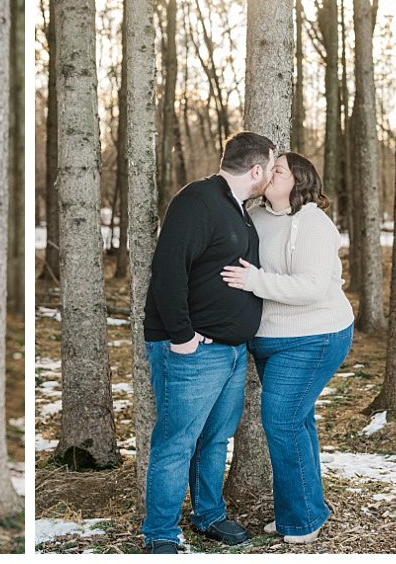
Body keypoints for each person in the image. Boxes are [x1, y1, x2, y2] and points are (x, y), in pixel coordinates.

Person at [141, 131, 276, 554]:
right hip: (192, 352)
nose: (271, 175)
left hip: (232, 353)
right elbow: (167, 271)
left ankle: (208, 515)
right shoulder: (197, 200)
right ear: (256, 170)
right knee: (176, 442)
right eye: (271, 167)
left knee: (215, 440)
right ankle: (160, 533)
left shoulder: (237, 208)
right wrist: (181, 337)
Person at [221, 152, 354, 544]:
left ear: (298, 180)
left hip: (316, 335)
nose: (270, 174)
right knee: (297, 422)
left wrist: (254, 281)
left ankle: (299, 522)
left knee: (281, 421)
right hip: (269, 339)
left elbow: (311, 287)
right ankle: (311, 507)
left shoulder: (314, 224)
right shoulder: (257, 215)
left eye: (279, 169)